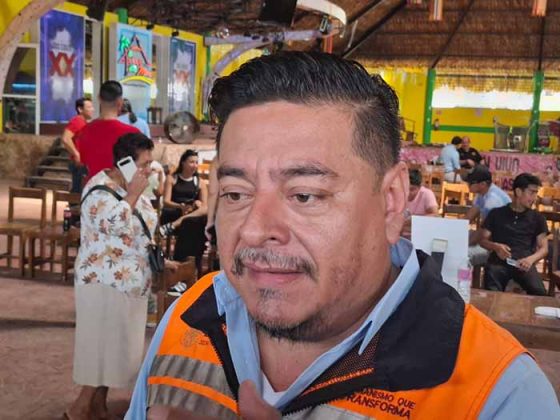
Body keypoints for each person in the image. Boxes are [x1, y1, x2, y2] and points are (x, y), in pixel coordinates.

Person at [127, 52, 559, 419]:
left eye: (305, 195)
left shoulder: (496, 394)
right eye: (236, 193)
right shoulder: (190, 317)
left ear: (391, 201)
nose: (255, 229)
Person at [480, 173, 549, 296]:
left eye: (536, 193)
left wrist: (530, 260)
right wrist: (496, 247)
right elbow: (482, 240)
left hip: (524, 263)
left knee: (540, 293)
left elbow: (544, 248)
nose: (534, 197)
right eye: (531, 192)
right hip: (499, 262)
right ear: (518, 192)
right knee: (491, 291)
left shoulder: (538, 218)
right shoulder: (496, 214)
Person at [76, 81, 139, 184]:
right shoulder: (132, 134)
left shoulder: (84, 131)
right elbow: (131, 173)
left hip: (93, 189)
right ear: (120, 102)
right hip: (120, 190)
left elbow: (84, 162)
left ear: (99, 98)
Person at [162, 149, 208, 271]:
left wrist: (198, 203)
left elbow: (205, 205)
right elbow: (166, 201)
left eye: (196, 162)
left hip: (191, 214)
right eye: (191, 162)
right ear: (183, 162)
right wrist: (180, 206)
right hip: (174, 211)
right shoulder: (172, 178)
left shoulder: (199, 182)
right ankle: (187, 261)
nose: (195, 165)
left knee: (195, 222)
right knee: (191, 223)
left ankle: (191, 260)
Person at [464, 165, 512, 266]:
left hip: (498, 246)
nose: (467, 185)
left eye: (471, 183)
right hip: (488, 240)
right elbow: (467, 219)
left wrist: (463, 244)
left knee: (463, 255)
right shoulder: (481, 193)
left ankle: (463, 277)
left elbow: (483, 233)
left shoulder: (492, 200)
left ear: (482, 184)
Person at [61, 97, 95, 193]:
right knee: (78, 191)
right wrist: (76, 154)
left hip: (83, 163)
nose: (92, 109)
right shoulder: (77, 121)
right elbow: (65, 138)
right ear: (80, 109)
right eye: (89, 107)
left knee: (80, 190)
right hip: (79, 163)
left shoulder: (83, 122)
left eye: (92, 107)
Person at [402, 168, 438, 238]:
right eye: (405, 188)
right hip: (402, 234)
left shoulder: (426, 194)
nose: (408, 192)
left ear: (420, 187)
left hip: (421, 234)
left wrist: (414, 220)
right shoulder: (400, 193)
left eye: (412, 189)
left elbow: (435, 215)